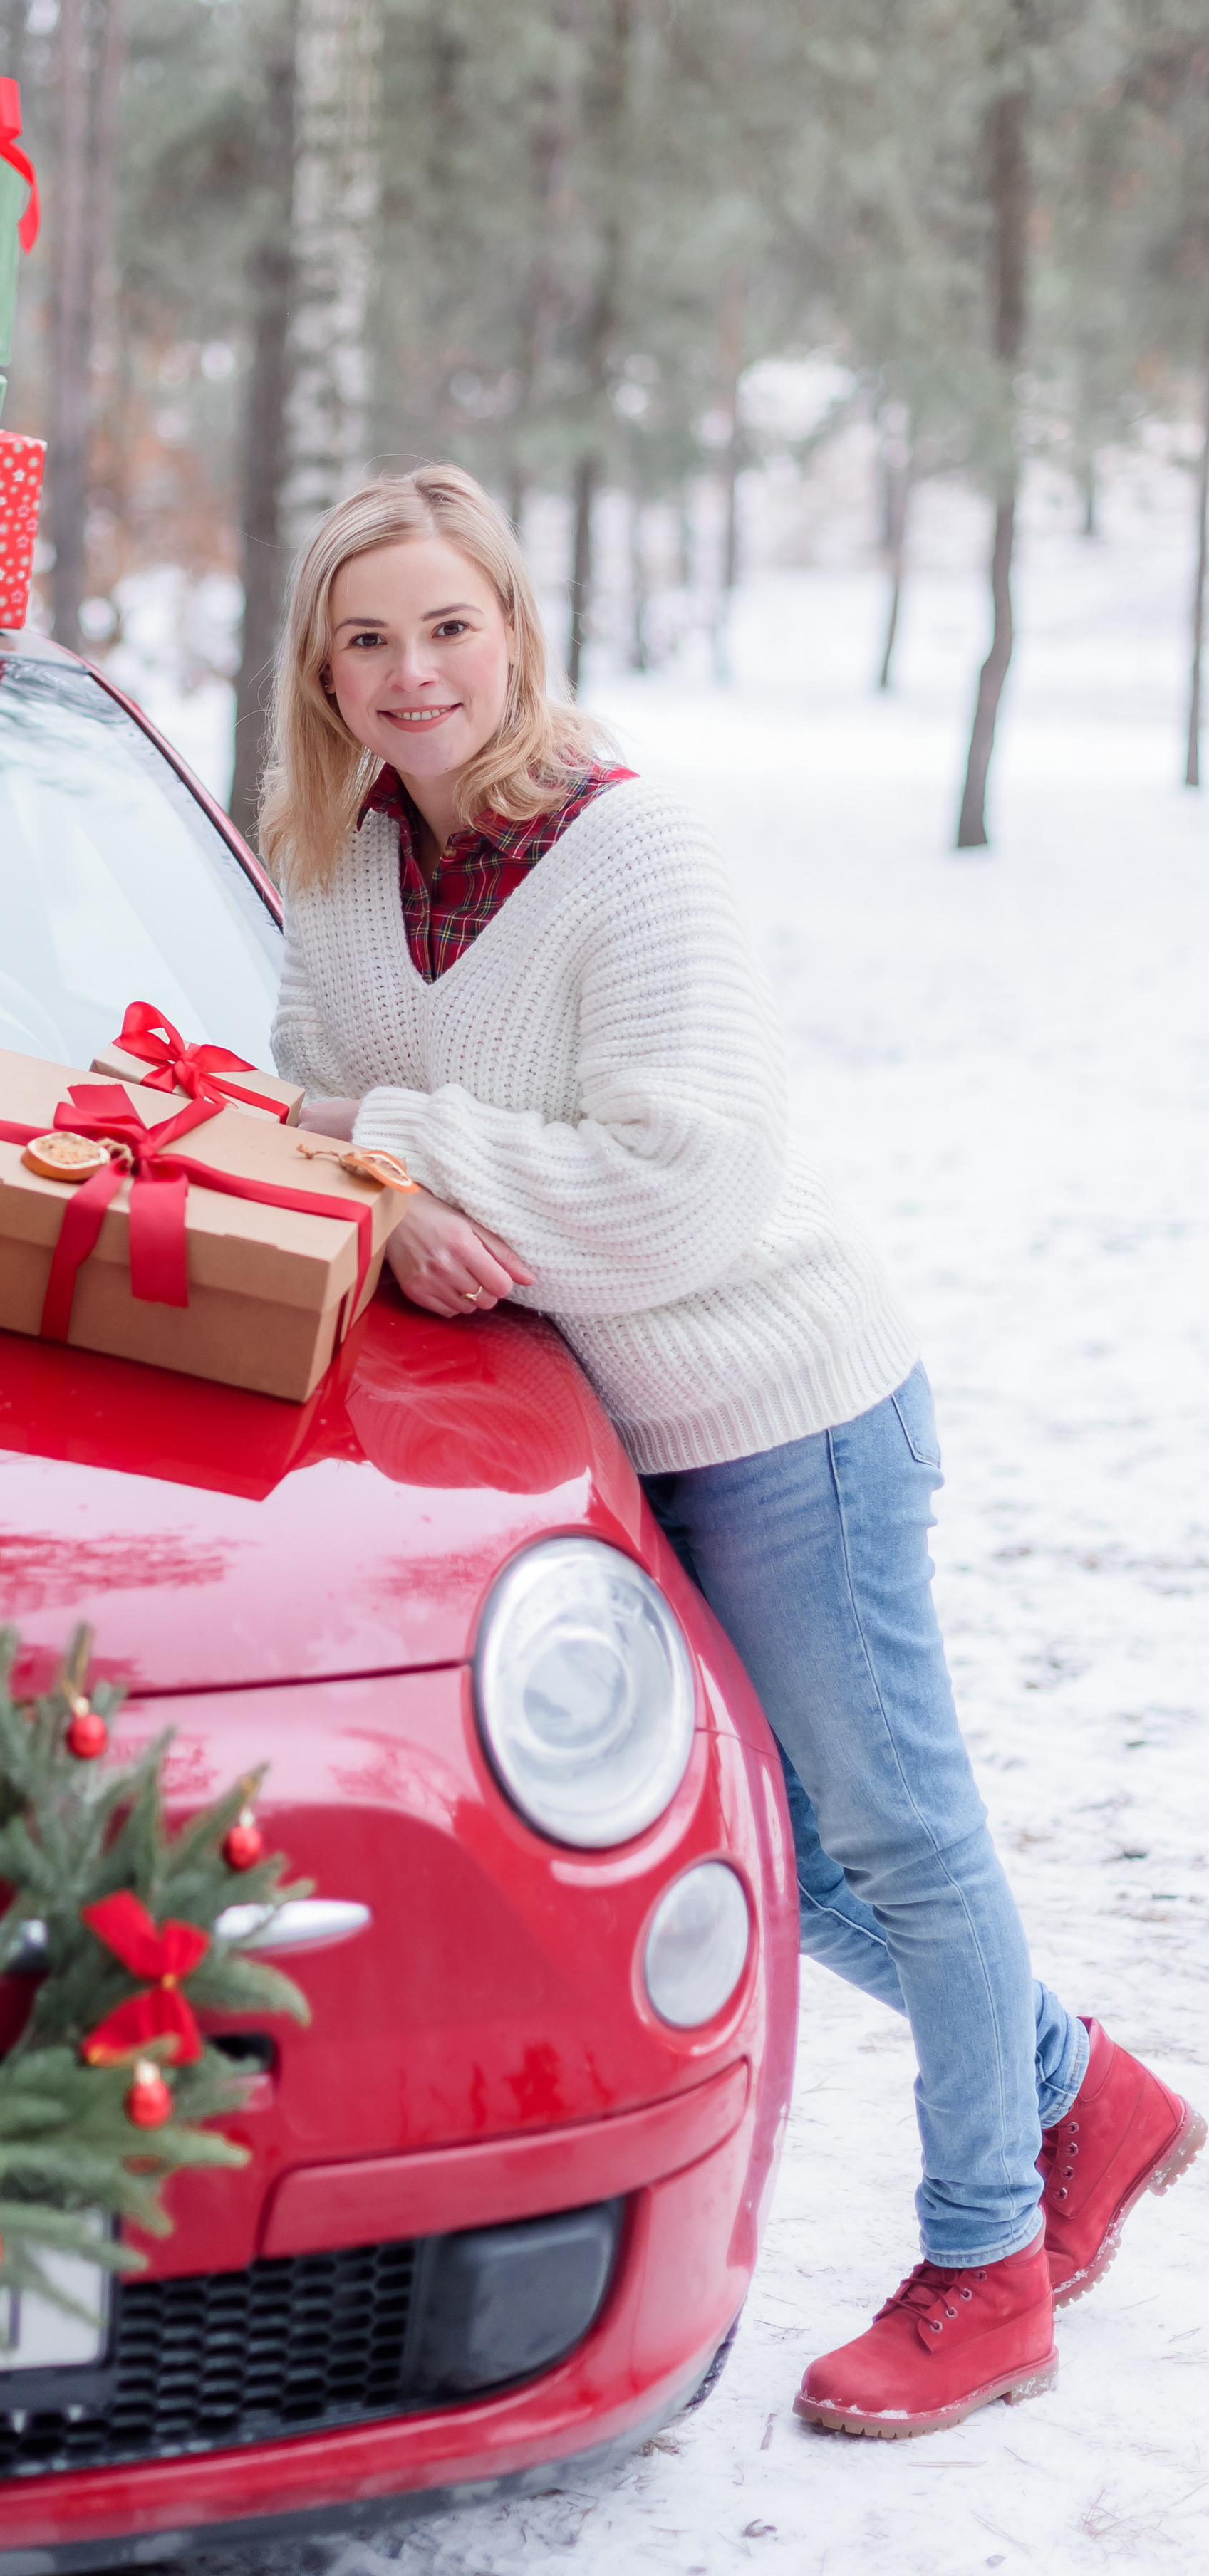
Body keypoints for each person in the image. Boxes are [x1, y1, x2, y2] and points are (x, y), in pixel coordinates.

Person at [259, 460, 1203, 2439]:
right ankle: (1081, 2093)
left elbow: (679, 1190)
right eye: (370, 639)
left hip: (787, 1409)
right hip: (604, 1428)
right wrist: (383, 1164)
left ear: (514, 630)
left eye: (450, 625)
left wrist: (404, 1142)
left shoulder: (635, 852)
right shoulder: (343, 862)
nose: (415, 672)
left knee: (903, 1838)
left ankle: (987, 2264)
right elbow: (297, 1094)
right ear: (323, 673)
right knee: (780, 1855)